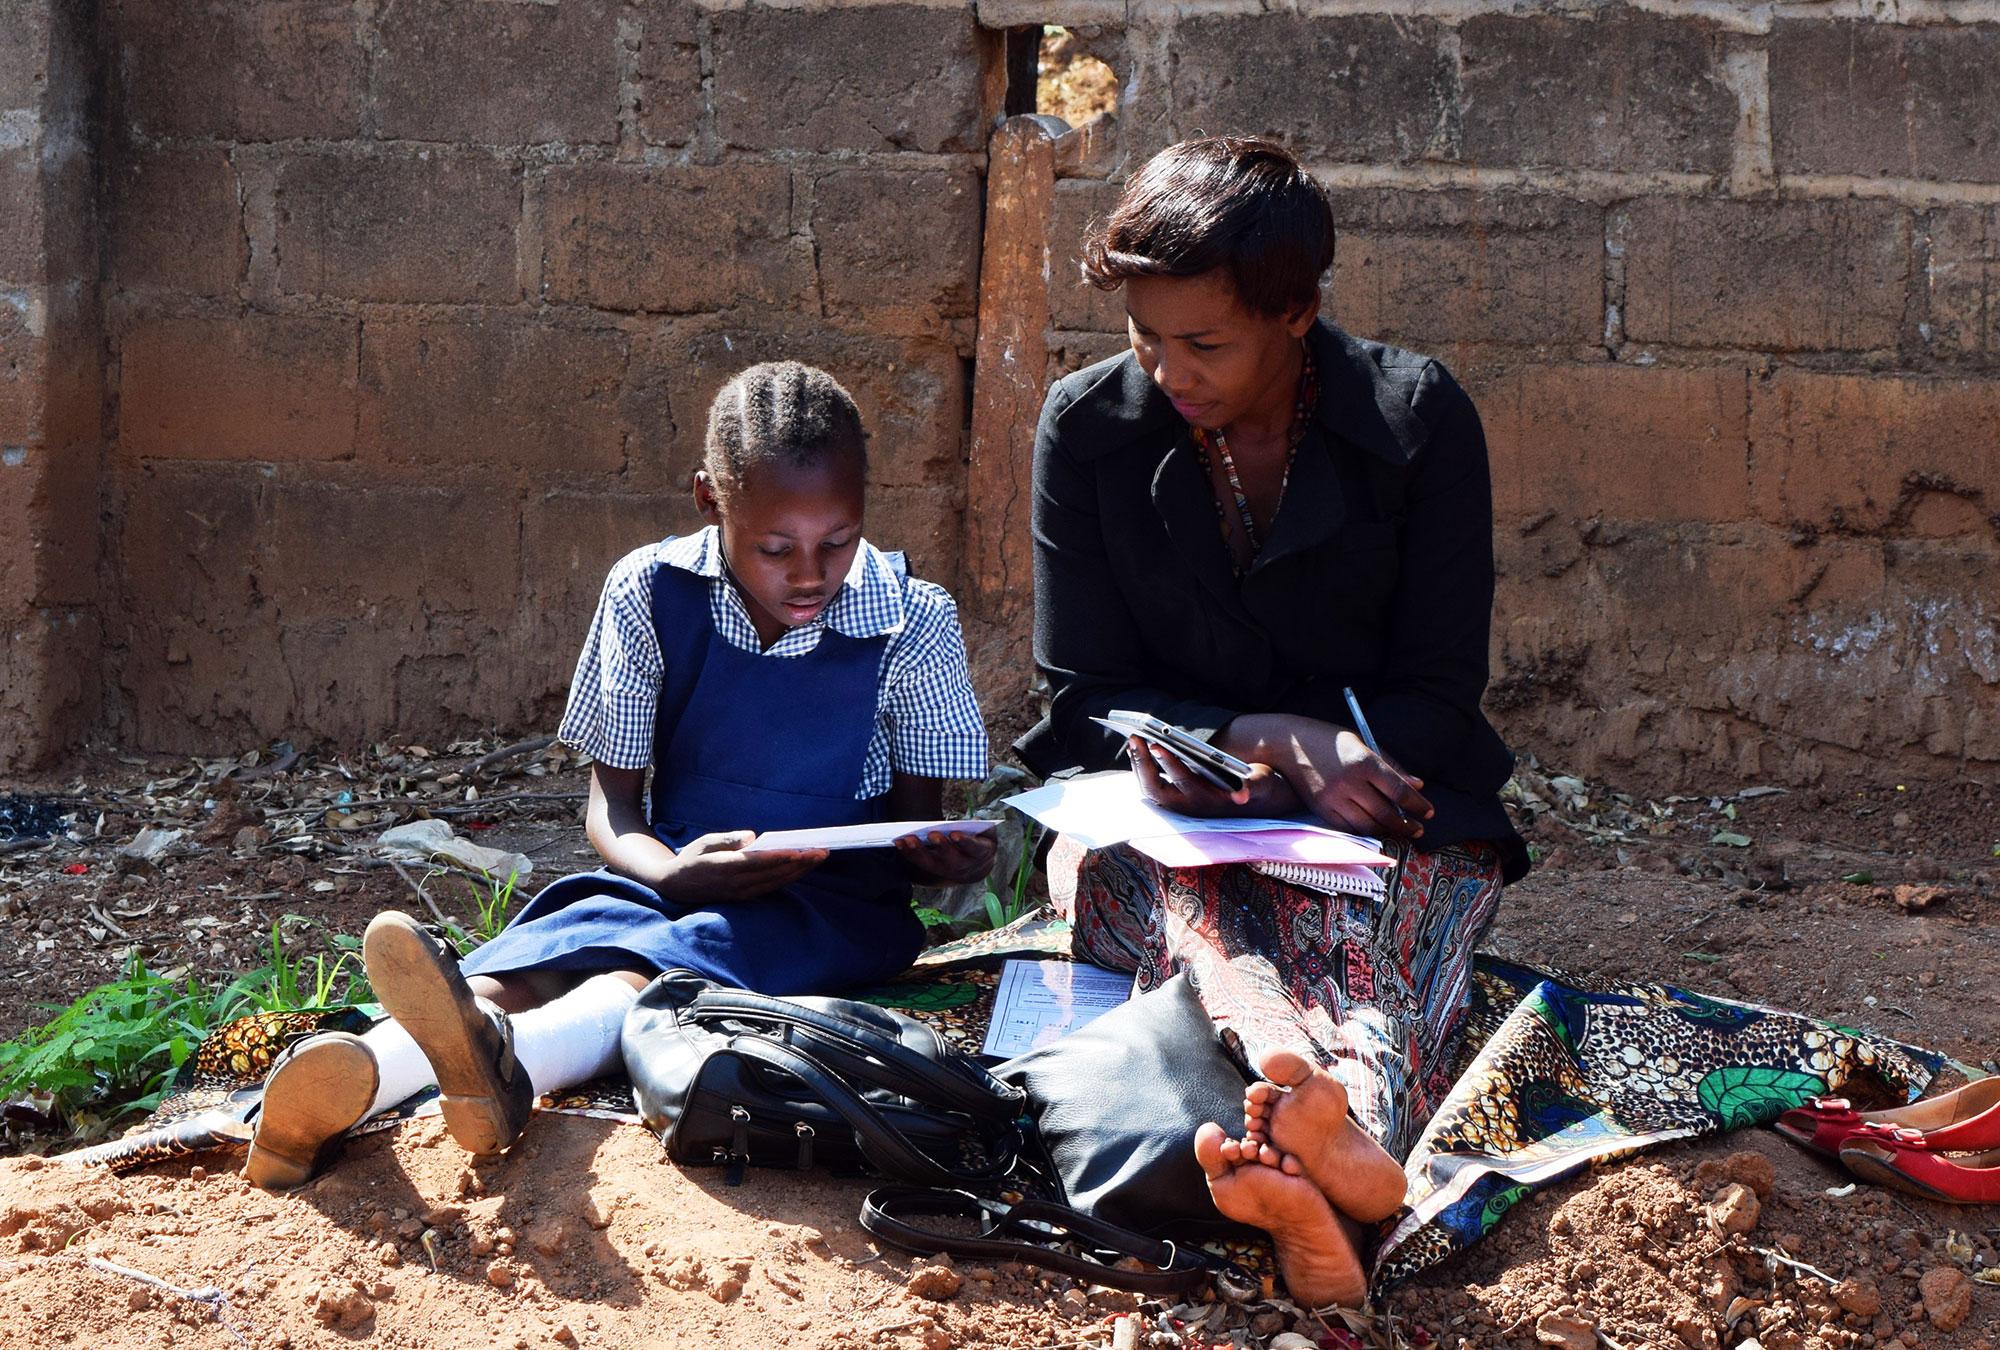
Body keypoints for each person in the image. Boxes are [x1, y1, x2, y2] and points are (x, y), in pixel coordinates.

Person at [245, 361, 996, 1189]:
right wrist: (675, 871)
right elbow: (611, 808)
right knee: (544, 949)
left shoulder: (910, 617)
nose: (811, 573)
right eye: (776, 548)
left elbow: (916, 828)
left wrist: (942, 857)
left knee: (659, 966)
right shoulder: (650, 590)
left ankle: (502, 1065)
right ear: (710, 500)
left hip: (830, 906)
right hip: (677, 866)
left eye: (839, 542)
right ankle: (353, 1074)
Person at [1016, 137, 1531, 1306]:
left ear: (1295, 313)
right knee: (1190, 920)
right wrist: (1261, 738)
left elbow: (1441, 691)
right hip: (1159, 816)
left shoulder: (1415, 422)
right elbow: (1080, 696)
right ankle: (1329, 1132)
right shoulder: (1088, 429)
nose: (1164, 370)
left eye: (1203, 343)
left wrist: (1344, 761)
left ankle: (1328, 1145)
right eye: (1142, 335)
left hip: (1385, 808)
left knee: (1379, 949)